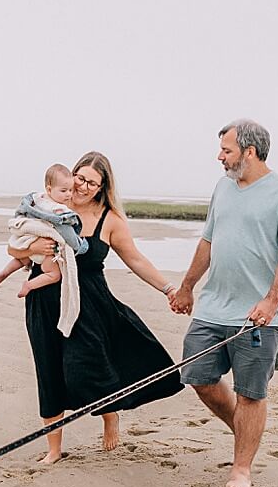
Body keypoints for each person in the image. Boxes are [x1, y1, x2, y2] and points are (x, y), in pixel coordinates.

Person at [168, 119, 278, 487]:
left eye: (226, 150)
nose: (220, 157)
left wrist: (271, 301)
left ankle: (241, 468)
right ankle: (246, 430)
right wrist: (186, 287)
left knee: (250, 393)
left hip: (258, 316)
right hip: (213, 308)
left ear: (250, 151)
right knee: (197, 377)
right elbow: (207, 242)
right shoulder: (223, 187)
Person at [17, 151, 185, 464]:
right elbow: (14, 243)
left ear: (102, 187)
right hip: (44, 301)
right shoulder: (50, 206)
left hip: (90, 303)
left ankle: (110, 413)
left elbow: (135, 258)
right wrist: (32, 248)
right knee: (49, 370)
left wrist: (168, 288)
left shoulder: (110, 219)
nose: (82, 186)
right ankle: (54, 449)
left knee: (87, 368)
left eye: (91, 183)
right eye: (80, 178)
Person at [0, 164, 84, 311]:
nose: (68, 194)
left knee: (21, 260)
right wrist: (79, 245)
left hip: (29, 241)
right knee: (54, 274)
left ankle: (4, 273)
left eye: (70, 190)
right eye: (64, 191)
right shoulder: (59, 210)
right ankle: (29, 285)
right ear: (49, 189)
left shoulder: (37, 200)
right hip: (46, 248)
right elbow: (67, 233)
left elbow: (22, 212)